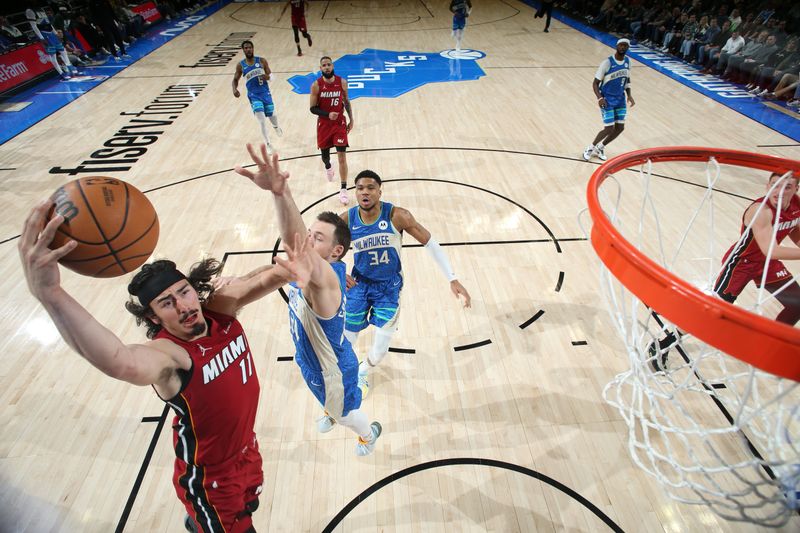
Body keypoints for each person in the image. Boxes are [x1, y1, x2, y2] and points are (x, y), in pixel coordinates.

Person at [17, 199, 303, 532]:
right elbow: (120, 361)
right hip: (211, 479)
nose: (183, 306)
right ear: (154, 316)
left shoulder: (220, 310)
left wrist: (279, 193)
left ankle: (200, 523)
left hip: (247, 451)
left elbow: (284, 270)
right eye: (167, 303)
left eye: (184, 292)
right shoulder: (169, 355)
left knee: (251, 505)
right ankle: (200, 518)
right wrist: (50, 293)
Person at [234, 143, 382, 454]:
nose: (308, 239)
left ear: (335, 251)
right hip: (312, 359)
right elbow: (285, 258)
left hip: (331, 371)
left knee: (346, 415)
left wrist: (280, 192)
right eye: (310, 231)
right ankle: (333, 408)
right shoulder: (316, 267)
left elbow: (294, 241)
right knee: (333, 405)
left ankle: (368, 434)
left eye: (317, 237)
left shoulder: (326, 278)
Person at [649, 172, 800, 370]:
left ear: (796, 189)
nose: (779, 191)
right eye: (775, 185)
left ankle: (771, 347)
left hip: (767, 264)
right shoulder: (760, 210)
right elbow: (769, 249)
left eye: (787, 187)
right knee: (713, 312)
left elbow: (796, 233)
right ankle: (662, 345)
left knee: (797, 303)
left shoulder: (796, 206)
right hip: (741, 264)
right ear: (767, 185)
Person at [340, 170, 472, 383]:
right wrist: (336, 269)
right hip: (359, 285)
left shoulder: (398, 216)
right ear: (355, 192)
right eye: (360, 188)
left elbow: (429, 242)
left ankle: (361, 372)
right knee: (347, 339)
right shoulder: (347, 218)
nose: (365, 192)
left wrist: (452, 278)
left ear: (380, 192)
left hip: (389, 288)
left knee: (380, 350)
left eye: (370, 188)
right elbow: (323, 246)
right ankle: (346, 376)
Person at [582, 38, 635, 162]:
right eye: (621, 45)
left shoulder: (628, 62)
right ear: (617, 46)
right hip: (607, 99)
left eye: (625, 46)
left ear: (628, 48)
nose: (623, 47)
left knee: (620, 128)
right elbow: (595, 83)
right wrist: (600, 98)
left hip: (620, 99)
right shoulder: (607, 63)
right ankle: (590, 148)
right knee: (609, 128)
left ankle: (600, 147)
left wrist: (629, 95)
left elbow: (627, 80)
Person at [309, 56, 353, 205]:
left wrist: (351, 119)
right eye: (324, 65)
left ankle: (343, 189)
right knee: (325, 157)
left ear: (333, 66)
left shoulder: (342, 82)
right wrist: (327, 114)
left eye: (329, 64)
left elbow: (346, 101)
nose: (326, 67)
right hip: (324, 125)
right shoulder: (316, 85)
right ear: (320, 68)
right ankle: (328, 167)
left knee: (342, 157)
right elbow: (312, 108)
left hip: (339, 124)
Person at [233, 40, 283, 154]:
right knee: (261, 121)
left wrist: (268, 77)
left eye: (249, 47)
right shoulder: (241, 65)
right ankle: (268, 144)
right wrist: (234, 89)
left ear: (253, 48)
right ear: (243, 50)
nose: (248, 49)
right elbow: (235, 79)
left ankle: (276, 126)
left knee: (272, 115)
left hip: (265, 92)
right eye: (245, 48)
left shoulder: (261, 61)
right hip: (253, 95)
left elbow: (272, 77)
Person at [26, 4, 77, 80]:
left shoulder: (41, 8)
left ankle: (69, 65)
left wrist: (56, 34)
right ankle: (61, 73)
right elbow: (34, 26)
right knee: (53, 55)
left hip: (51, 33)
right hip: (44, 34)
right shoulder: (29, 11)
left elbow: (49, 24)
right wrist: (42, 38)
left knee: (62, 50)